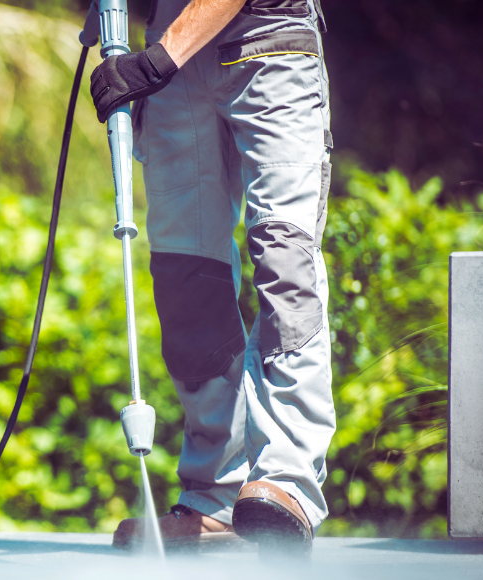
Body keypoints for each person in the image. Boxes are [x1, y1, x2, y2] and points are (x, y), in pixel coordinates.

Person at [89, 0, 335, 554]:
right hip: (170, 51)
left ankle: (287, 479)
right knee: (185, 275)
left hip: (268, 43)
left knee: (284, 261)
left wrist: (155, 62)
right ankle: (213, 498)